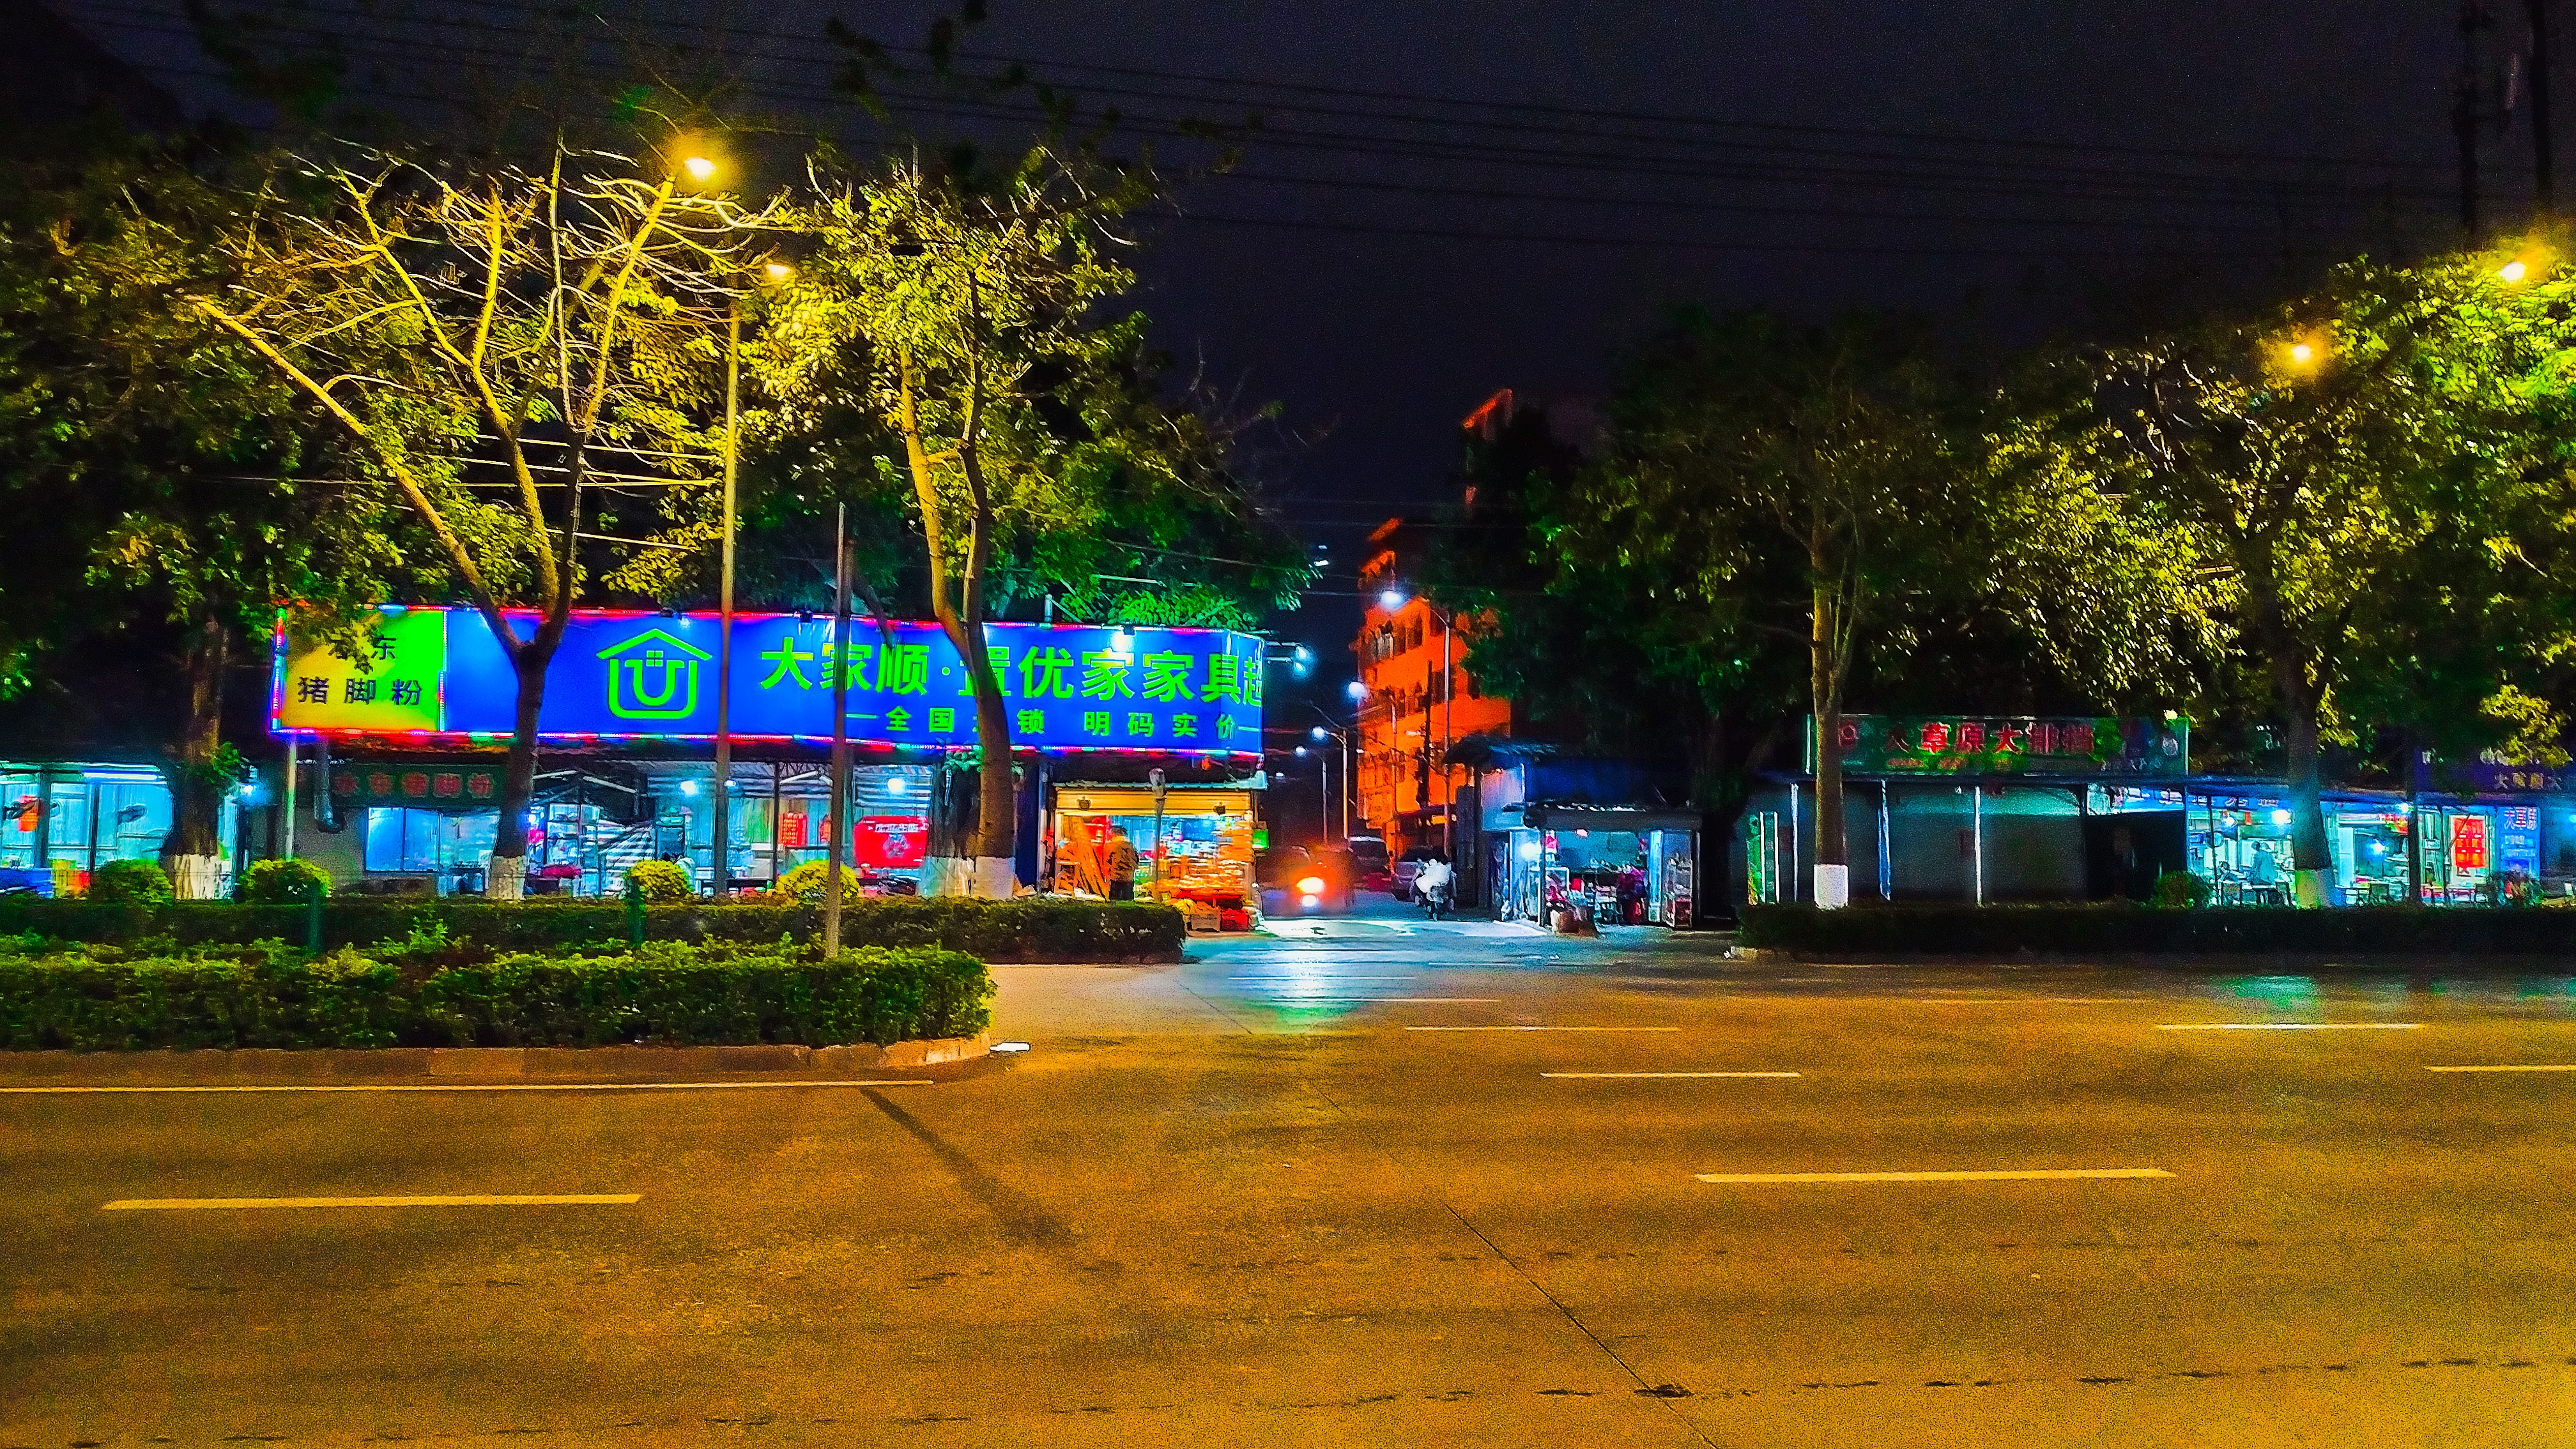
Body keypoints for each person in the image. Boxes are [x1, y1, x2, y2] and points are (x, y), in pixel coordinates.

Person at [1413, 854, 1454, 919]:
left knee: (1419, 885)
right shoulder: (1448, 868)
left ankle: (1422, 902)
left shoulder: (1433, 867)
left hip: (1432, 885)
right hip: (1443, 886)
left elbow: (1426, 871)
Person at [1106, 827, 1139, 901]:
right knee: (1128, 901)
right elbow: (1137, 860)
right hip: (1129, 878)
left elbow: (1106, 861)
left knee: (1115, 901)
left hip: (1116, 878)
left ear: (1114, 835)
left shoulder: (1112, 846)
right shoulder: (1131, 846)